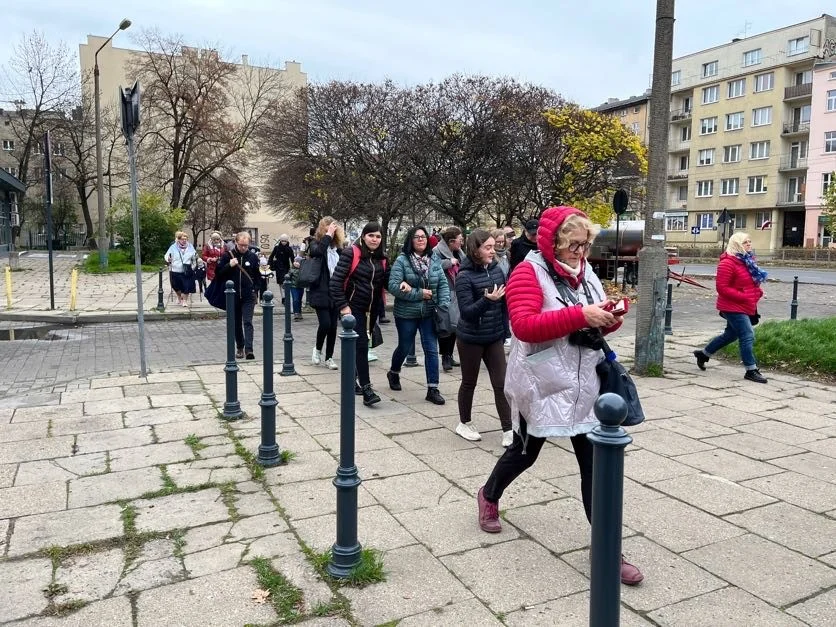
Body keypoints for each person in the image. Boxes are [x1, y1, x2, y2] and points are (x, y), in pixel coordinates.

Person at [475, 206, 643, 586]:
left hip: (586, 383)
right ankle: (489, 493)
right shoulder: (527, 273)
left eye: (585, 246)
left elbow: (591, 324)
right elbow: (524, 326)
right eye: (573, 246)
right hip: (541, 381)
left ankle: (607, 549)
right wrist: (582, 316)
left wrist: (609, 317)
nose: (580, 254)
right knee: (524, 453)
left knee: (595, 466)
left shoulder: (584, 275)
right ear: (553, 243)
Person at [453, 229, 512, 445]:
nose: (492, 251)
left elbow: (504, 303)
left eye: (493, 246)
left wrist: (506, 331)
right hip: (471, 338)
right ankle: (464, 423)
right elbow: (467, 312)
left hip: (494, 335)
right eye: (487, 247)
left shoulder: (497, 270)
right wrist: (487, 301)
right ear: (475, 250)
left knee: (501, 382)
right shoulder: (464, 276)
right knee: (469, 382)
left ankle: (508, 429)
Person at [386, 225, 450, 406]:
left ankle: (433, 388)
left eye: (423, 236)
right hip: (406, 313)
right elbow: (393, 286)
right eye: (417, 237)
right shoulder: (402, 261)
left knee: (431, 349)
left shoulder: (434, 259)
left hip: (430, 313)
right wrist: (419, 293)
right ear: (410, 240)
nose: (421, 240)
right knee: (405, 347)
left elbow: (443, 284)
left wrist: (444, 304)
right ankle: (394, 372)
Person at [693, 232, 768, 384]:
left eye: (749, 241)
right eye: (745, 242)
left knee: (731, 335)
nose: (749, 244)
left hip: (745, 304)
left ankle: (704, 354)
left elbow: (749, 283)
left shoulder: (747, 261)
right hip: (731, 306)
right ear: (737, 244)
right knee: (747, 334)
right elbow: (722, 288)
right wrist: (745, 296)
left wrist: (757, 291)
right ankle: (751, 370)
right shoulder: (727, 263)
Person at [330, 222, 389, 407]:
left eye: (378, 236)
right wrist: (343, 307)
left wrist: (405, 286)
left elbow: (386, 282)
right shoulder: (351, 253)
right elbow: (335, 283)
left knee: (360, 347)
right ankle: (367, 390)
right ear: (363, 236)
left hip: (372, 311)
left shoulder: (382, 259)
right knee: (362, 346)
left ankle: (352, 380)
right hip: (353, 309)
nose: (374, 239)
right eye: (371, 235)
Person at [215, 232, 264, 360]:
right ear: (236, 242)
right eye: (241, 245)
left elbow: (258, 276)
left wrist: (256, 290)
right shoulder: (227, 255)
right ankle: (240, 347)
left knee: (248, 322)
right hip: (233, 296)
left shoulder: (252, 257)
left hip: (248, 295)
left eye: (246, 245)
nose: (243, 248)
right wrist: (228, 265)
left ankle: (249, 350)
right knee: (236, 323)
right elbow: (218, 273)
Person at [308, 217, 344, 371]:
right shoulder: (315, 243)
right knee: (325, 324)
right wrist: (327, 235)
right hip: (320, 291)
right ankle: (317, 349)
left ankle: (329, 357)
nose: (332, 231)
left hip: (335, 292)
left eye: (334, 229)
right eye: (328, 228)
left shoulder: (338, 249)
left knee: (333, 327)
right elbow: (317, 252)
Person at [432, 227, 465, 371]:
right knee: (445, 326)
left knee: (455, 326)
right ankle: (445, 356)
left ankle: (450, 356)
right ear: (451, 241)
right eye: (460, 240)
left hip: (457, 292)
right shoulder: (436, 251)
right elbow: (431, 267)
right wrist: (448, 262)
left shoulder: (459, 252)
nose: (462, 243)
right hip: (444, 293)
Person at [164, 231, 198, 306]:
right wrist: (168, 259)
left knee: (187, 286)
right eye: (182, 239)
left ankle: (185, 300)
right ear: (178, 239)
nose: (184, 241)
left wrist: (195, 262)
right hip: (175, 269)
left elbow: (194, 256)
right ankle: (179, 296)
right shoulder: (173, 247)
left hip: (187, 269)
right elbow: (167, 255)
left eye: (186, 239)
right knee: (175, 285)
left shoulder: (190, 246)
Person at [492, 228, 512, 349]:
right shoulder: (491, 255)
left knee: (505, 313)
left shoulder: (507, 254)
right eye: (497, 242)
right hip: (495, 288)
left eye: (502, 242)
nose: (500, 244)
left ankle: (506, 335)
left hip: (506, 288)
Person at [288, 254, 305, 321]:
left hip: (301, 287)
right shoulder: (291, 270)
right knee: (295, 299)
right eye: (296, 261)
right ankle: (296, 313)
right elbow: (287, 277)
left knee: (299, 300)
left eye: (298, 262)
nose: (297, 263)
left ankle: (299, 312)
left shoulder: (303, 270)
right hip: (293, 287)